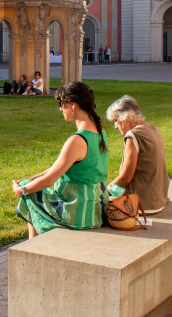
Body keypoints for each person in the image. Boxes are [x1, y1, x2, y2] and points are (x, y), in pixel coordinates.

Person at [13, 82, 108, 238]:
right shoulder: (99, 131)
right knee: (29, 184)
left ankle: (32, 245)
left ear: (73, 105)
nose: (60, 108)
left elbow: (49, 180)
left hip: (78, 214)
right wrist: (31, 179)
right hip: (96, 209)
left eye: (61, 103)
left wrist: (22, 189)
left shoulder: (77, 140)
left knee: (27, 190)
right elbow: (58, 168)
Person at [106, 95, 170, 213]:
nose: (115, 126)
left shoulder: (134, 135)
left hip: (140, 205)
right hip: (159, 200)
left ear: (126, 117)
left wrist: (105, 191)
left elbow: (125, 178)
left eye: (116, 120)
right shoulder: (152, 129)